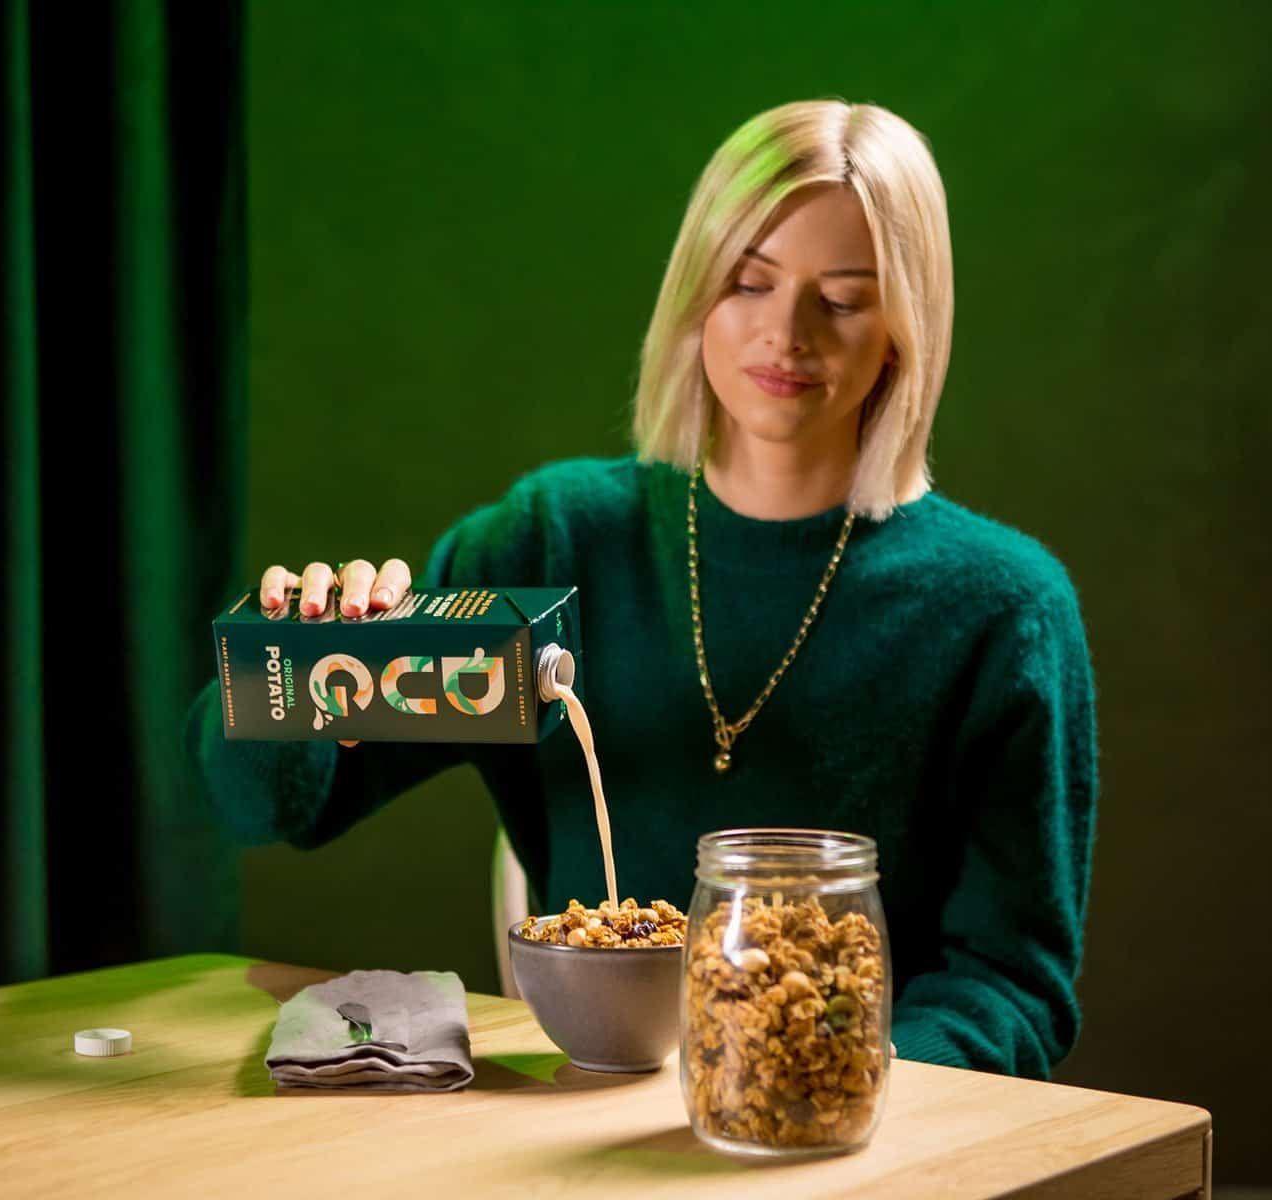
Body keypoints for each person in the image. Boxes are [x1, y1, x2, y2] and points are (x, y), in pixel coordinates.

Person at [182, 98, 1098, 1080]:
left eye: (841, 300)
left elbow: (1012, 984)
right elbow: (272, 810)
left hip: (859, 1134)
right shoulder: (556, 540)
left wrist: (825, 1092)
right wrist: (296, 659)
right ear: (697, 294)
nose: (784, 333)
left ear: (904, 332)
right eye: (749, 283)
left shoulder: (1002, 609)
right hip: (585, 1128)